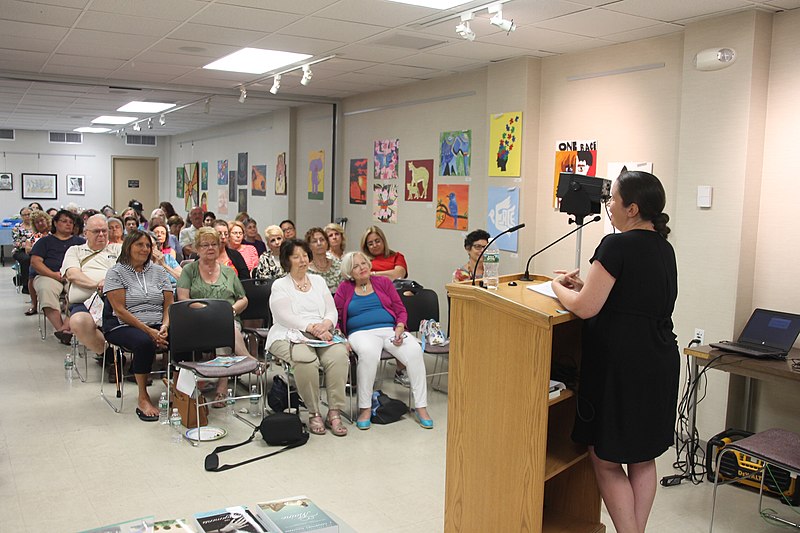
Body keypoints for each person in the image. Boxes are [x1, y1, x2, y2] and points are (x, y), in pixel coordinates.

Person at [551, 170, 679, 533]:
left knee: (605, 457)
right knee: (642, 456)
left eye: (613, 200)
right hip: (658, 362)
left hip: (623, 367)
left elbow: (586, 308)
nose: (608, 206)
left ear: (633, 208)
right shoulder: (664, 248)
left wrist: (559, 287)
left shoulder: (615, 245)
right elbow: (631, 296)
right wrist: (586, 285)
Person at [334, 251, 433, 430]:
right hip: (360, 332)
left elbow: (400, 309)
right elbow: (337, 317)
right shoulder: (344, 288)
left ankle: (421, 406)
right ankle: (365, 408)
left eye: (363, 263)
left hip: (389, 329)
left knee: (414, 350)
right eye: (355, 266)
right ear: (349, 272)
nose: (361, 267)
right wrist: (342, 338)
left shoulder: (383, 283)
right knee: (369, 353)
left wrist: (400, 326)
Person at [266, 239, 349, 437]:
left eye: (304, 255)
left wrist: (326, 325)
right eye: (296, 257)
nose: (302, 260)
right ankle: (314, 412)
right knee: (306, 360)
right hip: (289, 333)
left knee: (338, 355)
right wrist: (311, 327)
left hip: (321, 332)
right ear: (287, 261)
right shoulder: (280, 285)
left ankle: (334, 412)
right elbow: (283, 316)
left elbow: (331, 311)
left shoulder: (318, 281)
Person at [176, 227, 255, 407]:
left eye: (214, 244)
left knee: (226, 327)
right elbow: (183, 299)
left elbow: (243, 299)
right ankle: (249, 360)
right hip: (197, 319)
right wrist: (211, 312)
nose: (210, 248)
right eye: (205, 245)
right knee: (224, 326)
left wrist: (231, 311)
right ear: (196, 248)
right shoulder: (189, 270)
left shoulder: (228, 272)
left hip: (228, 317)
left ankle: (222, 386)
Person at [103, 230, 172, 422]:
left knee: (183, 336)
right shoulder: (115, 272)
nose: (144, 249)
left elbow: (169, 303)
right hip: (122, 325)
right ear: (128, 247)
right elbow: (119, 310)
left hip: (158, 323)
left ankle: (179, 388)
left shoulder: (158, 271)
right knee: (144, 342)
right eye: (139, 245)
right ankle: (143, 396)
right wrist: (149, 331)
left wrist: (164, 325)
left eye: (148, 245)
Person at [61, 214, 121, 365]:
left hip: (118, 300)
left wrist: (109, 283)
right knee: (78, 321)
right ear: (86, 233)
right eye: (96, 231)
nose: (101, 234)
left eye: (104, 231)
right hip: (87, 301)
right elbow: (73, 274)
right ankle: (108, 355)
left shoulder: (118, 249)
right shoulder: (75, 251)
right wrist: (98, 285)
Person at [29, 209, 84, 344]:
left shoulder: (81, 242)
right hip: (48, 275)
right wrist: (53, 274)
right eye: (64, 221)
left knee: (80, 292)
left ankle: (67, 326)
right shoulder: (45, 242)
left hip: (72, 276)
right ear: (55, 223)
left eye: (71, 222)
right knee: (45, 289)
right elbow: (35, 262)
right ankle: (61, 329)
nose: (68, 224)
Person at [24, 210, 53, 314]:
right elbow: (27, 249)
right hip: (38, 262)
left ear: (47, 220)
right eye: (37, 222)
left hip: (52, 261)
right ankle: (34, 305)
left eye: (42, 220)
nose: (40, 223)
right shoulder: (33, 236)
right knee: (32, 275)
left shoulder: (53, 234)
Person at [306, 227, 342, 293]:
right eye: (314, 241)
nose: (319, 243)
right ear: (309, 246)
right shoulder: (306, 270)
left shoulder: (338, 265)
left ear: (327, 243)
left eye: (322, 240)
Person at [12, 206, 35, 294]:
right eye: (24, 215)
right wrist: (27, 245)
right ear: (21, 216)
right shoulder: (17, 227)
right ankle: (26, 285)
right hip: (20, 250)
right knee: (26, 259)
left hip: (35, 248)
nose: (27, 216)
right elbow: (16, 242)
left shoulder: (36, 225)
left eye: (29, 214)